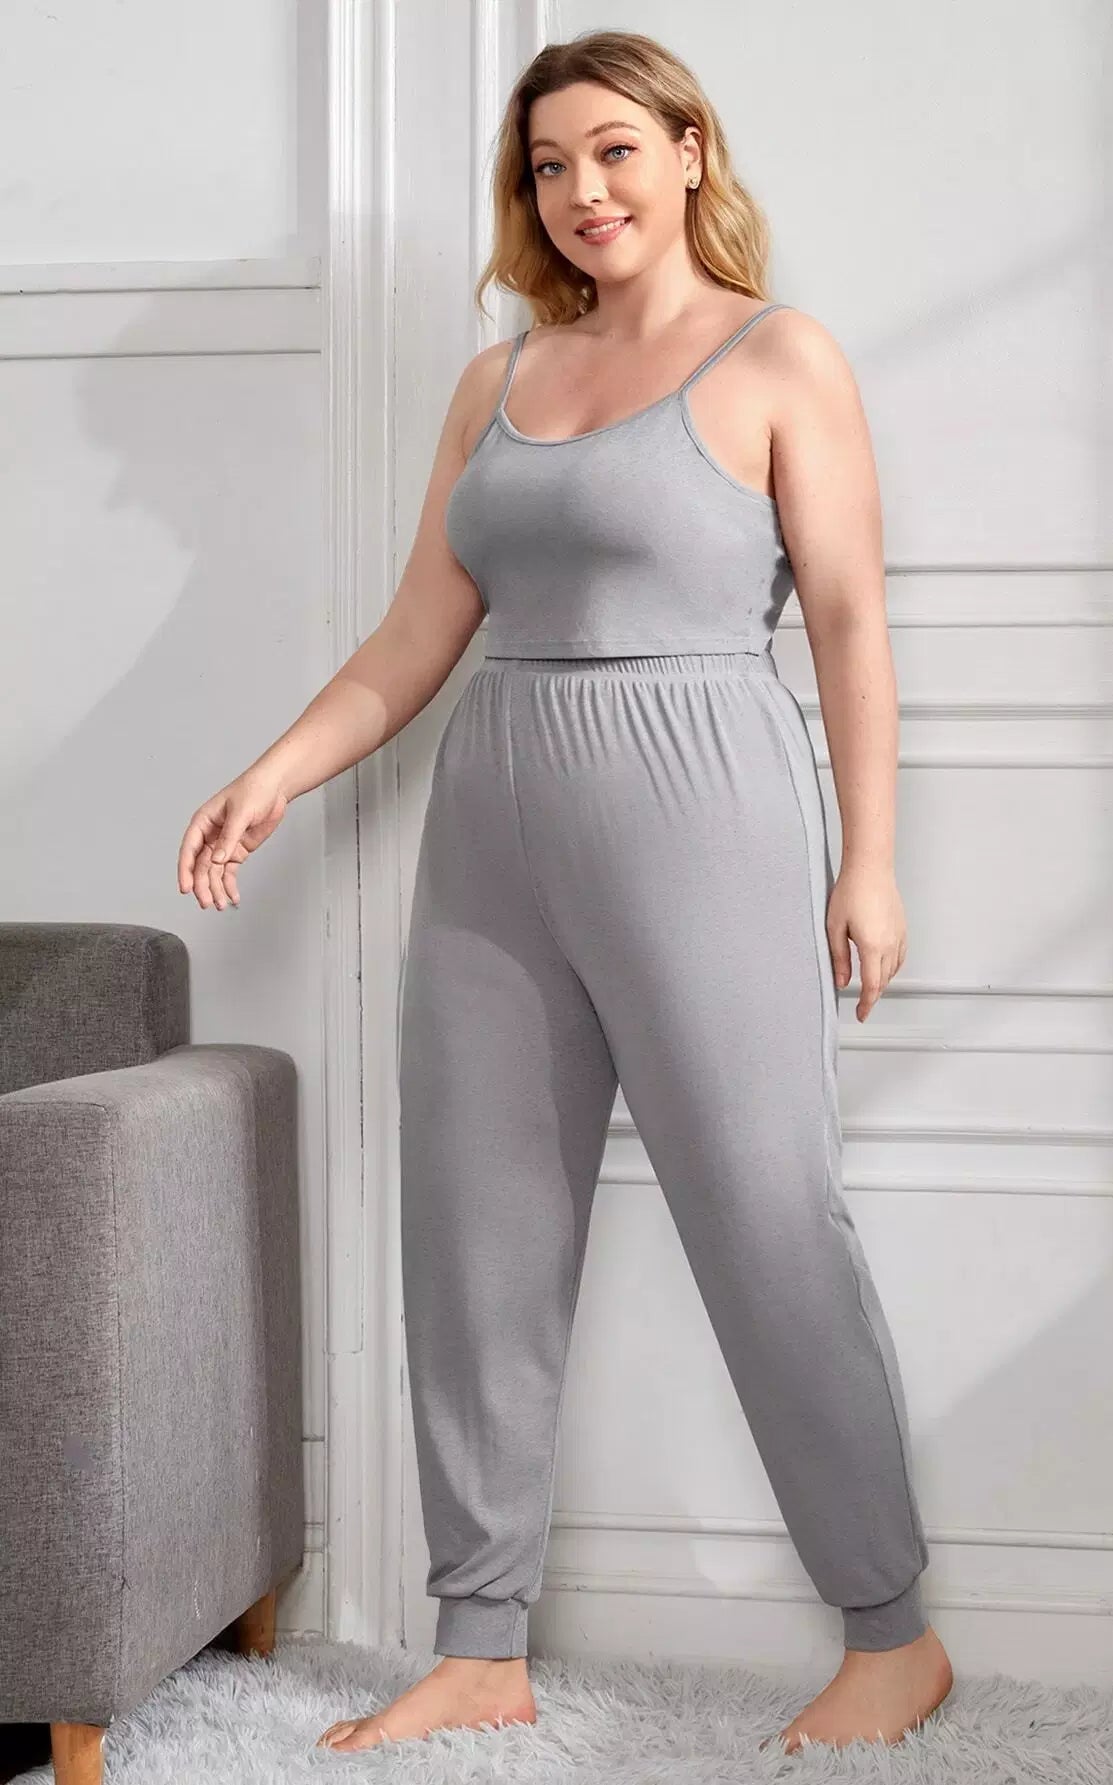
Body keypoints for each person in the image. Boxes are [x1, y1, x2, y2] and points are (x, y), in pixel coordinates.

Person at [177, 26, 953, 1759]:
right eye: (547, 166)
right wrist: (276, 772)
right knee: (478, 1229)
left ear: (687, 152)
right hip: (493, 823)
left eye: (612, 150)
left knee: (766, 1216)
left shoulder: (778, 356)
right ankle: (480, 1639)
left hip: (705, 804)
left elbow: (848, 619)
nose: (581, 190)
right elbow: (416, 635)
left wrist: (872, 855)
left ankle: (890, 1630)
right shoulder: (498, 381)